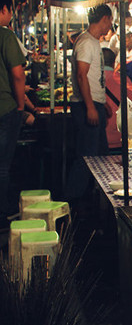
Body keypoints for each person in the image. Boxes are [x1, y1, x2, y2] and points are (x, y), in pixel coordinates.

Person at [66, 4, 113, 201]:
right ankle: (71, 203)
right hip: (86, 106)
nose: (110, 25)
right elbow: (81, 75)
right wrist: (91, 107)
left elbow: (93, 78)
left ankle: (94, 203)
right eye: (110, 20)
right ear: (104, 19)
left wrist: (102, 101)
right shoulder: (86, 42)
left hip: (94, 103)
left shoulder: (93, 42)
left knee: (100, 156)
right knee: (87, 159)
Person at [0, 0, 25, 226]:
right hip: (4, 108)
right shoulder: (6, 36)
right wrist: (20, 105)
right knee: (2, 165)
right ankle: (2, 214)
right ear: (4, 10)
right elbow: (18, 75)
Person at [102, 47, 132, 149]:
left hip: (98, 137)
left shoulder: (92, 79)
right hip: (122, 138)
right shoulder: (123, 79)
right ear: (114, 63)